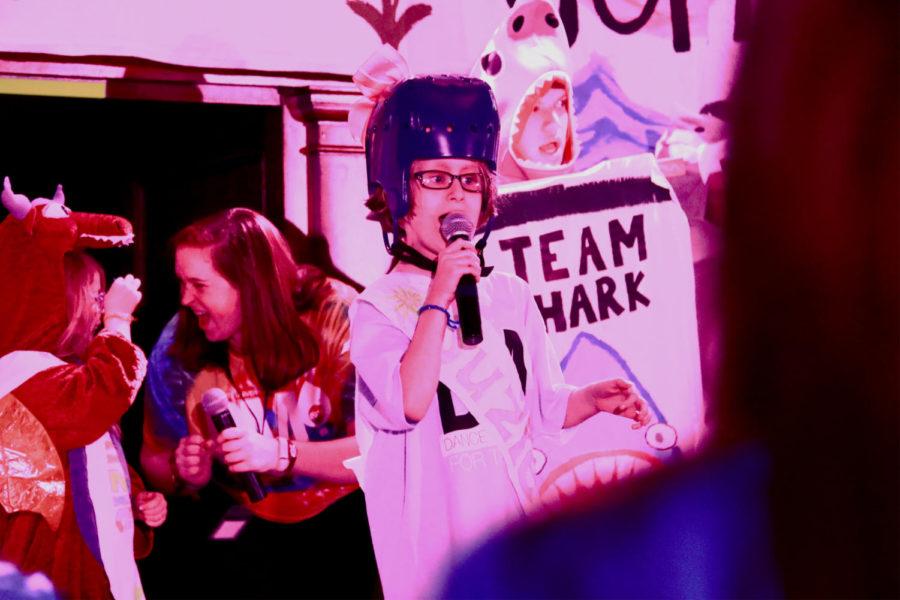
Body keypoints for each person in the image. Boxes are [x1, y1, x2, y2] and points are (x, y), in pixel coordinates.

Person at [441, 0, 899, 597]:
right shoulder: (554, 567)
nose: (554, 129)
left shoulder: (553, 569)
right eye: (538, 111)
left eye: (562, 109)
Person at [348, 73, 651, 599]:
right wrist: (438, 296)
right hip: (436, 566)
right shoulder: (376, 308)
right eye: (435, 178)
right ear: (397, 190)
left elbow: (539, 412)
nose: (458, 193)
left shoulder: (510, 295)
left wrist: (589, 399)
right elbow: (407, 403)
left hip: (514, 552)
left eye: (471, 178)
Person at [139, 207, 378, 598]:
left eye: (199, 285)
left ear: (250, 284)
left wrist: (280, 454)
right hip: (242, 511)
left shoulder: (337, 316)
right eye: (181, 283)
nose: (185, 300)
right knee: (212, 558)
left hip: (340, 512)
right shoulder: (176, 346)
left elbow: (377, 455)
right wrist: (185, 473)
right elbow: (155, 459)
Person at [0, 178, 164, 600]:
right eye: (93, 298)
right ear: (58, 300)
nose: (99, 309)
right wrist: (118, 323)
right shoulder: (21, 377)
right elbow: (104, 390)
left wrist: (139, 503)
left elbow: (90, 465)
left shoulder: (58, 376)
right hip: (53, 574)